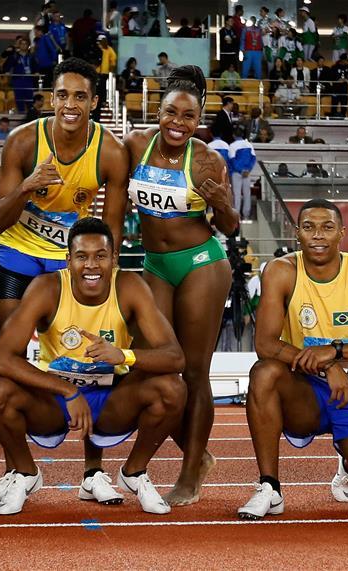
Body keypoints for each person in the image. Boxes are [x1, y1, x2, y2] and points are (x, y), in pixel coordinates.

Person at [0, 217, 186, 515]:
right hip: (54, 401)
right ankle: (26, 473)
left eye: (100, 256)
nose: (91, 265)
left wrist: (123, 355)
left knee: (172, 388)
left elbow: (175, 357)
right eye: (82, 256)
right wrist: (67, 390)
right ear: (68, 260)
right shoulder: (46, 288)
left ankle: (134, 472)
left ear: (114, 259)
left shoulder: (130, 287)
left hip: (111, 400)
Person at [238, 198, 348, 520]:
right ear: (297, 233)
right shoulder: (281, 271)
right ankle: (270, 487)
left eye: (327, 227)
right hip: (307, 395)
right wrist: (328, 366)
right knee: (264, 373)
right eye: (309, 227)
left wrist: (337, 351)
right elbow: (264, 344)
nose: (318, 235)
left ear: (341, 233)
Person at [115, 65, 239, 505]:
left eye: (188, 117)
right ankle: (198, 455)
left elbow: (230, 226)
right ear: (158, 110)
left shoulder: (207, 160)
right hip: (154, 264)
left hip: (200, 262)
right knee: (153, 365)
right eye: (171, 113)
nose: (178, 123)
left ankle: (189, 474)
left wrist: (222, 205)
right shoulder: (135, 146)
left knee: (194, 371)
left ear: (199, 119)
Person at [0, 58, 130, 343]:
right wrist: (26, 187)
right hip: (18, 250)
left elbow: (112, 225)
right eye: (63, 95)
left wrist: (108, 276)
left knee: (71, 347)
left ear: (93, 102)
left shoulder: (111, 152)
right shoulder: (23, 141)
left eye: (80, 97)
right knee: (8, 343)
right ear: (52, 98)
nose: (70, 105)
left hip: (69, 257)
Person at [229, 125, 256, 222]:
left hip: (237, 173)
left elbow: (232, 161)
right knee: (247, 194)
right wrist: (248, 170)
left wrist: (241, 170)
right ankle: (246, 215)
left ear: (233, 135)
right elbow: (253, 159)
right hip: (247, 173)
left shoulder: (232, 146)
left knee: (237, 194)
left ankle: (237, 216)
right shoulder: (249, 144)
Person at [328, 53, 348, 119]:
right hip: (335, 89)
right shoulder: (334, 67)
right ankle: (332, 118)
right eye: (347, 60)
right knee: (334, 105)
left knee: (344, 105)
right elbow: (330, 78)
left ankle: (343, 117)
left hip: (344, 89)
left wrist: (346, 79)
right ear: (342, 60)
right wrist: (337, 80)